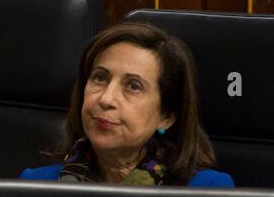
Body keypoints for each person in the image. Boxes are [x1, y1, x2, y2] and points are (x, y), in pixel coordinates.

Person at [21, 22, 233, 186]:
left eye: (133, 86)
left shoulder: (206, 190)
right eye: (100, 78)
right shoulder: (35, 184)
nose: (106, 99)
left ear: (166, 116)